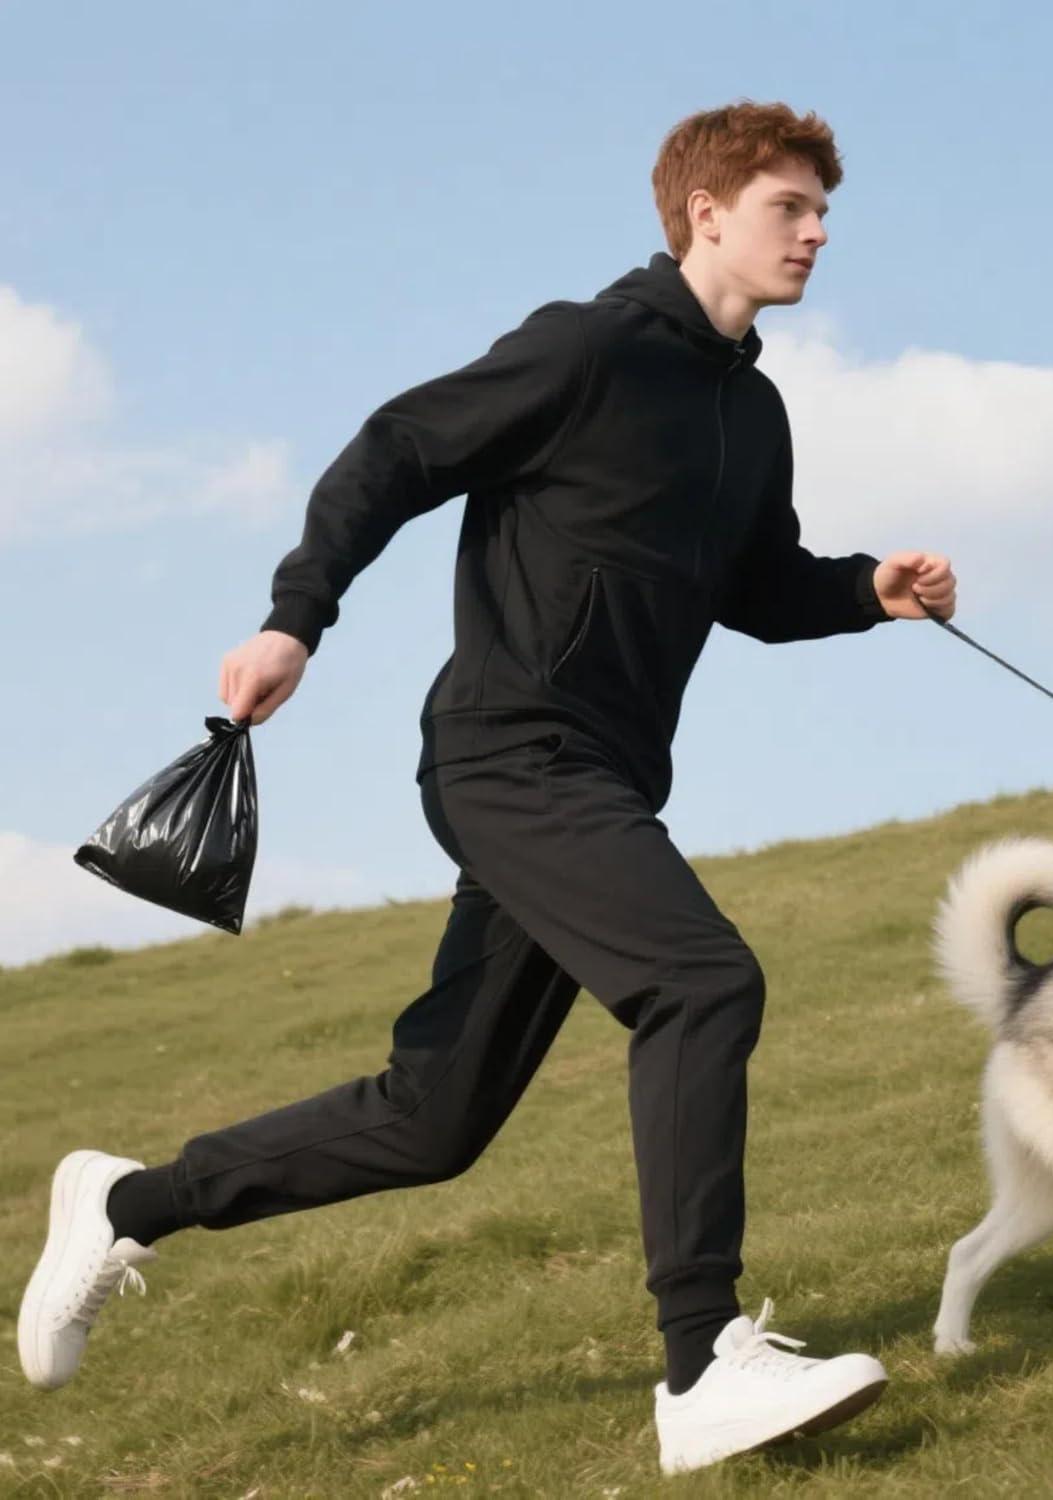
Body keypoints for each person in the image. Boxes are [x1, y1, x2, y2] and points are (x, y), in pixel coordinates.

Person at [18, 100, 957, 1475]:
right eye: (790, 208)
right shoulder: (588, 347)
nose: (818, 234)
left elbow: (754, 585)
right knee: (702, 982)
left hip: (606, 779)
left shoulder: (753, 414)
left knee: (435, 1118)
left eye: (824, 213)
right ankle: (702, 1362)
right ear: (706, 211)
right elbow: (399, 448)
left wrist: (863, 592)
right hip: (510, 748)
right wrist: (297, 616)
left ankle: (127, 1204)